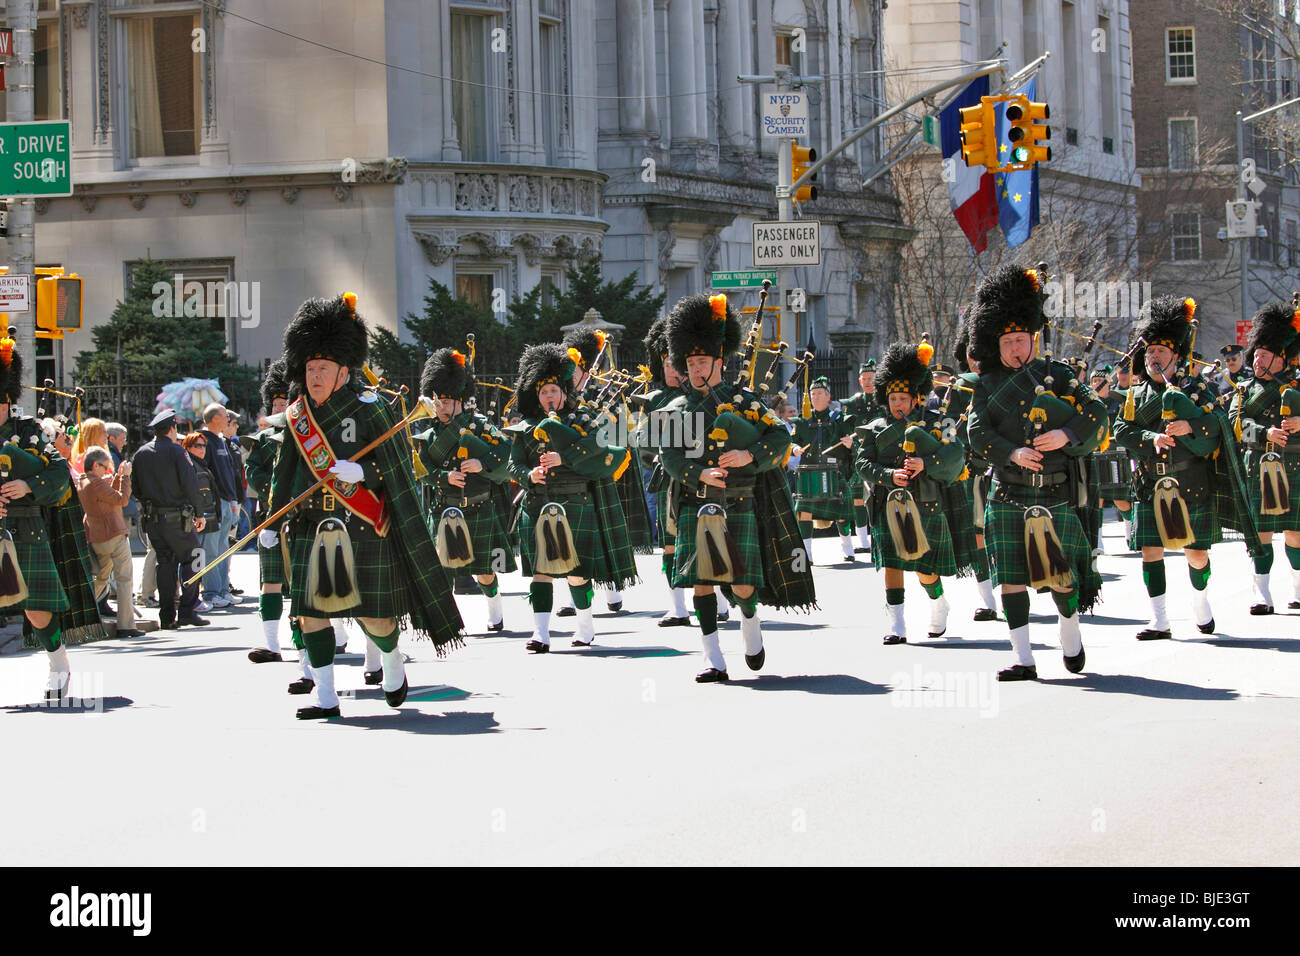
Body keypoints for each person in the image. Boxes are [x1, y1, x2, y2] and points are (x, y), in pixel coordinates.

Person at [267, 292, 463, 719]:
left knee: (374, 618)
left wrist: (364, 475)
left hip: (361, 522)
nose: (314, 375)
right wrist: (272, 516)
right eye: (309, 368)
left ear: (343, 371)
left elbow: (397, 468)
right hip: (311, 524)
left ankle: (392, 663)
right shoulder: (297, 415)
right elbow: (285, 471)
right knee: (310, 617)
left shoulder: (370, 409)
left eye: (322, 368)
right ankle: (325, 696)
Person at [660, 292, 814, 682]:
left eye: (702, 362)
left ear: (719, 361)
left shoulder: (743, 400)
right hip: (698, 502)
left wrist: (750, 456)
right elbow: (671, 460)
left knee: (743, 584)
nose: (696, 369)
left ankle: (750, 626)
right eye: (690, 363)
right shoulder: (678, 410)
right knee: (701, 583)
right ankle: (713, 658)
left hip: (741, 502)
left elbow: (780, 436)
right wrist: (699, 476)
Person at [965, 264, 1107, 681]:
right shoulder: (987, 384)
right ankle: (1024, 658)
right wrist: (1012, 453)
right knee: (1010, 578)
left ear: (1033, 338)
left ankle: (1069, 632)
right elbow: (976, 432)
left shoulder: (1061, 376)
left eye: (1020, 340)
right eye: (1007, 342)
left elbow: (1097, 412)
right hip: (1007, 491)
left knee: (1061, 575)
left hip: (1054, 490)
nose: (1014, 348)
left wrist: (1066, 433)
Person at [506, 342, 636, 653]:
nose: (548, 397)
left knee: (577, 574)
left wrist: (565, 458)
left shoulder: (584, 421)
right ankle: (541, 633)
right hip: (537, 503)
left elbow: (602, 451)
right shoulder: (525, 429)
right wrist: (528, 475)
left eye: (553, 391)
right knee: (540, 571)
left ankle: (585, 625)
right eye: (542, 392)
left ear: (565, 392)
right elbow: (513, 463)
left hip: (575, 502)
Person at [1113, 297, 1224, 638]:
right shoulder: (1136, 395)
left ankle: (1201, 601)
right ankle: (1159, 619)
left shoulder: (1197, 389)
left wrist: (1192, 427)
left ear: (1177, 356)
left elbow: (1218, 423)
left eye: (1160, 351)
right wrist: (1151, 438)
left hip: (1190, 479)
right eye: (1149, 352)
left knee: (1196, 554)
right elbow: (1121, 429)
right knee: (1150, 550)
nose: (1153, 357)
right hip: (1150, 481)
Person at [0, 334, 91, 699]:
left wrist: (26, 485)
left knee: (36, 609)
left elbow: (58, 474)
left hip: (25, 528)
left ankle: (58, 664)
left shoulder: (28, 431)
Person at [855, 341, 965, 644]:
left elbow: (957, 454)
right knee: (892, 563)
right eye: (892, 399)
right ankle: (898, 625)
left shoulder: (939, 422)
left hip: (926, 503)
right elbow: (862, 464)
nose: (897, 405)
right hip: (887, 504)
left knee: (923, 568)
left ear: (916, 397)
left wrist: (924, 463)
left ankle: (937, 602)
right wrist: (889, 475)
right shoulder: (873, 428)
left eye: (903, 398)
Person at [415, 347, 517, 633]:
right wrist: (443, 477)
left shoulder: (481, 427)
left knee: (484, 571)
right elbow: (421, 472)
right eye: (438, 401)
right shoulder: (428, 435)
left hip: (478, 507)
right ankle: (447, 621)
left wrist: (480, 464)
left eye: (447, 401)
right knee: (440, 571)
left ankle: (495, 608)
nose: (442, 407)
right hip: (444, 508)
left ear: (459, 400)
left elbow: (507, 458)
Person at [242, 360, 311, 689]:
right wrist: (273, 489)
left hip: (299, 517)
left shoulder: (307, 433)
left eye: (286, 402)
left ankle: (306, 653)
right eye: (276, 402)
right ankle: (271, 645)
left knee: (301, 587)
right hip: (269, 517)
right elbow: (251, 471)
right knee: (270, 581)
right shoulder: (262, 437)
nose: (281, 406)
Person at [1230, 302, 1300, 614]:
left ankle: (1298, 589)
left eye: (1264, 355)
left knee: (1297, 531)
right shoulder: (1244, 389)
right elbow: (1235, 425)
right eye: (1255, 355)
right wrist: (1264, 433)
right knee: (1261, 533)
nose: (1257, 360)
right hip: (1258, 465)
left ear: (1282, 358)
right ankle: (1262, 594)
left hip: (1295, 464)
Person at [634, 317, 691, 627]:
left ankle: (721, 603)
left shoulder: (703, 397)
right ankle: (678, 608)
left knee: (710, 540)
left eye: (675, 364)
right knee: (670, 545)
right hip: (668, 482)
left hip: (699, 478)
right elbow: (643, 443)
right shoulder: (654, 400)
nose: (671, 370)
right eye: (666, 364)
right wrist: (656, 458)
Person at [132, 410, 209, 629]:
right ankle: (187, 609)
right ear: (172, 428)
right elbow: (190, 484)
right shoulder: (177, 452)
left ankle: (166, 616)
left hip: (153, 519)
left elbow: (136, 487)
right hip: (178, 519)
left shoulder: (141, 453)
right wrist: (200, 513)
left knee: (164, 564)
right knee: (195, 557)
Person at [946, 323, 998, 621]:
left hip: (1008, 466)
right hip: (973, 470)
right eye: (971, 352)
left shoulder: (1006, 381)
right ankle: (989, 599)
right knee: (978, 534)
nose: (976, 358)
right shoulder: (960, 386)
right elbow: (947, 430)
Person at [75, 446, 145, 637]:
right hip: (113, 534)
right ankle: (126, 625)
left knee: (101, 579)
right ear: (95, 465)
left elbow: (108, 497)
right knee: (124, 579)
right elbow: (121, 500)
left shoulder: (83, 482)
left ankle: (79, 613)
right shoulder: (96, 483)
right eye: (105, 467)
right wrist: (125, 477)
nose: (107, 471)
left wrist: (116, 477)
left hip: (97, 538)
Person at [791, 376, 858, 563]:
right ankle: (807, 553)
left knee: (842, 514)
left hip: (835, 471)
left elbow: (856, 442)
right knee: (804, 511)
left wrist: (850, 443)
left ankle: (847, 547)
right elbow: (791, 442)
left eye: (820, 393)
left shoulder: (840, 419)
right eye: (813, 394)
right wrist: (794, 448)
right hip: (809, 473)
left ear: (828, 396)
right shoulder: (803, 421)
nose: (816, 397)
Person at [198, 404, 243, 609]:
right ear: (215, 418)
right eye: (225, 416)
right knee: (211, 549)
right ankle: (211, 592)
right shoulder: (204, 441)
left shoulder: (221, 441)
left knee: (223, 548)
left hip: (227, 501)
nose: (228, 420)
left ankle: (223, 590)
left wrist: (234, 500)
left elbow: (229, 472)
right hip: (215, 504)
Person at [841, 361, 879, 552]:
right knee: (858, 498)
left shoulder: (883, 400)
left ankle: (877, 538)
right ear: (859, 380)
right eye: (864, 379)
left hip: (880, 454)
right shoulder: (854, 403)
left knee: (878, 497)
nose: (867, 382)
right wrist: (851, 443)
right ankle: (863, 540)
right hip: (859, 453)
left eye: (870, 379)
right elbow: (847, 427)